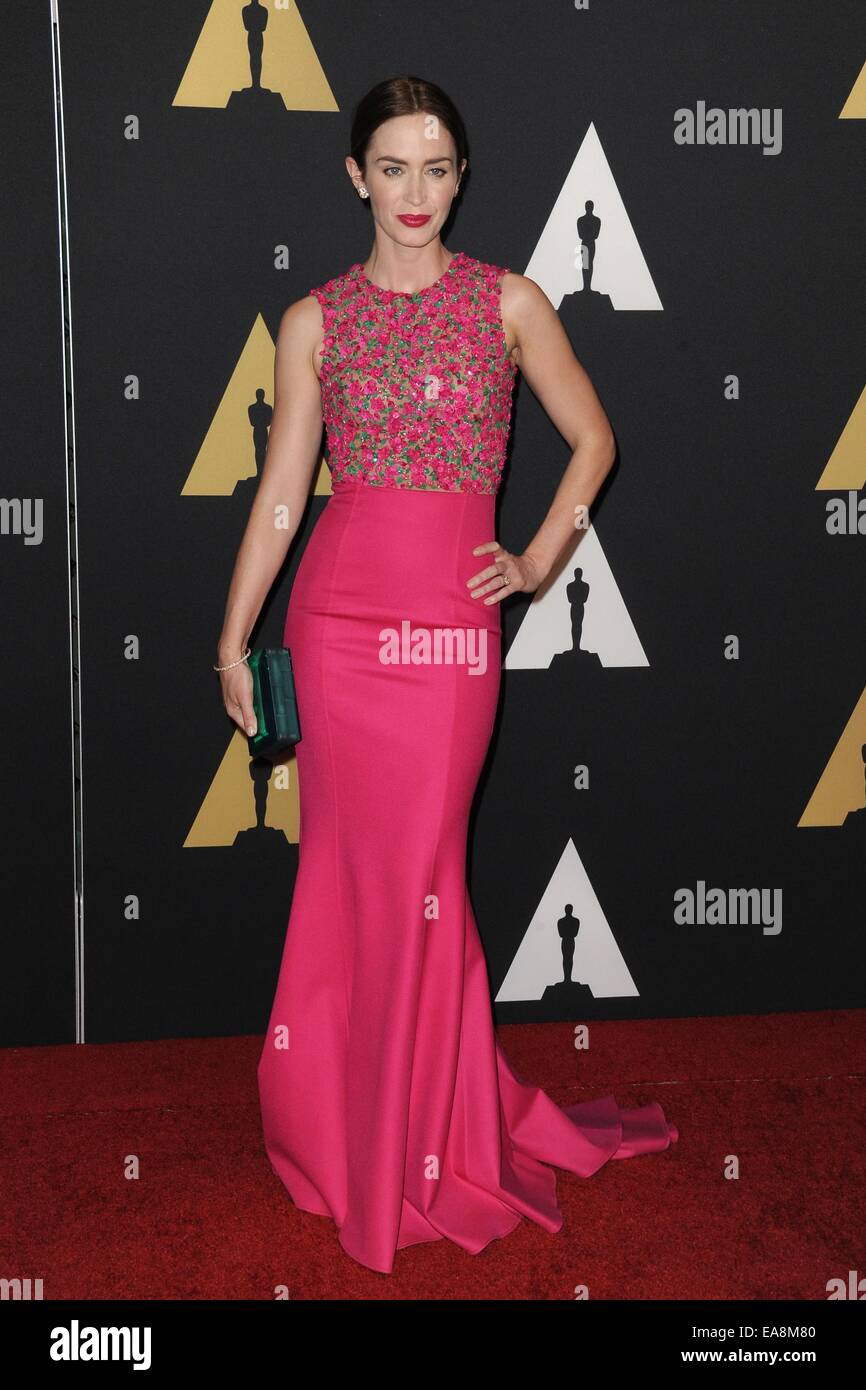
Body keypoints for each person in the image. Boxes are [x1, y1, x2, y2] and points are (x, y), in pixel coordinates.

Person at [216, 74, 678, 1276]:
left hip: (447, 637)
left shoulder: (508, 303)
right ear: (354, 175)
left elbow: (595, 440)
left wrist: (534, 560)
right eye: (391, 166)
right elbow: (280, 496)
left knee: (422, 869)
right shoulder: (311, 320)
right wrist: (233, 635)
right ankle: (344, 1125)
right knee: (346, 878)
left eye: (435, 167)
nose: (413, 191)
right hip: (335, 622)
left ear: (460, 177)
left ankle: (423, 1137)